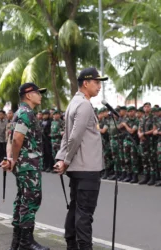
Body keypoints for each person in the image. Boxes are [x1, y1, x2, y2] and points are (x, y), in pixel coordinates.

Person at [54, 67, 107, 250]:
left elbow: (66, 135)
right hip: (87, 169)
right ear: (86, 83)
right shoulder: (84, 104)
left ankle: (71, 245)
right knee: (85, 214)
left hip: (79, 169)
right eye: (97, 82)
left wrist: (62, 158)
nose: (99, 87)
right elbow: (74, 136)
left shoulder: (73, 102)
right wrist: (66, 160)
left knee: (75, 209)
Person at [0, 82, 49, 250]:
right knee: (31, 200)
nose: (40, 95)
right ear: (28, 95)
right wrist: (13, 159)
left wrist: (10, 158)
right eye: (38, 92)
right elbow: (16, 139)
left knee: (22, 199)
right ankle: (26, 242)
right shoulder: (26, 113)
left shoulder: (18, 113)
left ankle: (18, 241)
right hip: (28, 165)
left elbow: (10, 138)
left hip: (24, 165)